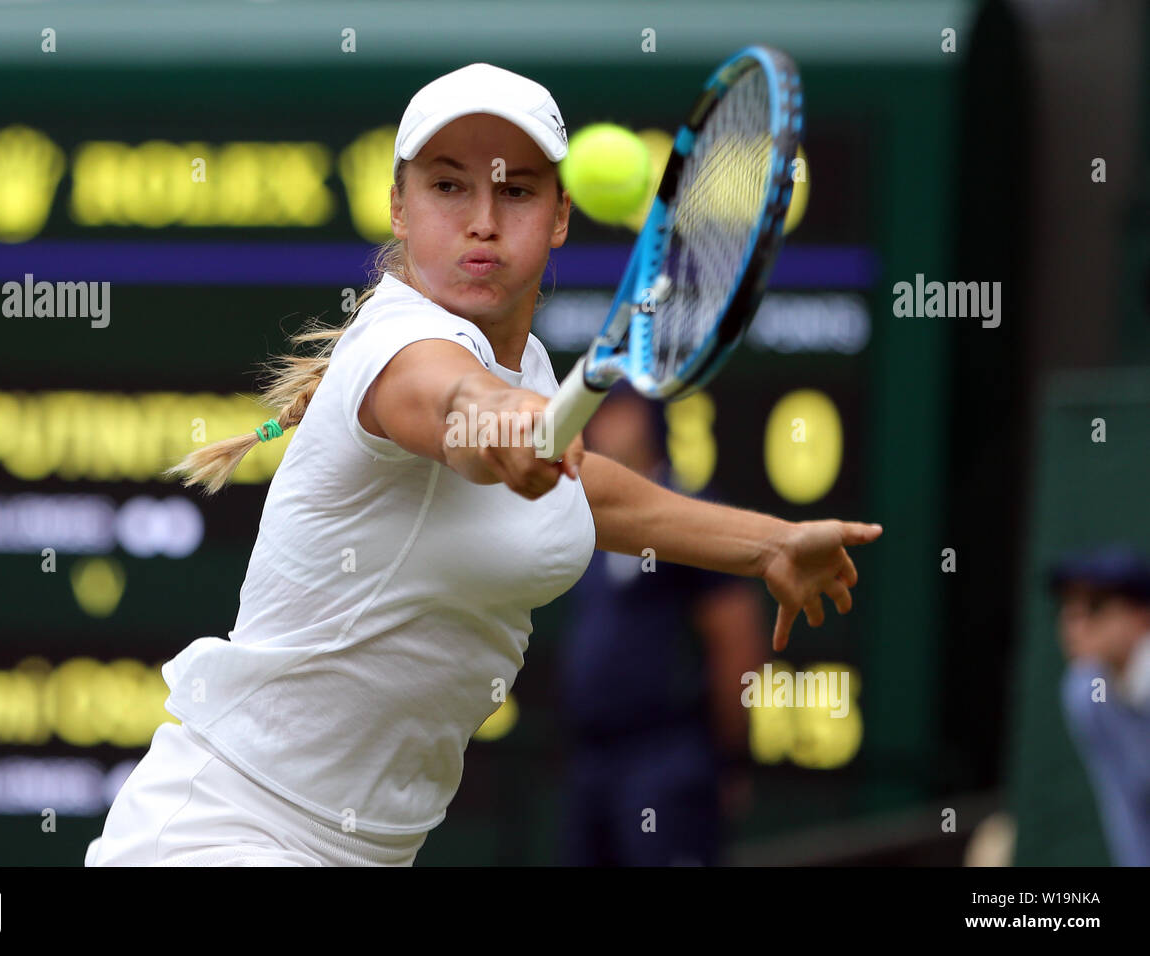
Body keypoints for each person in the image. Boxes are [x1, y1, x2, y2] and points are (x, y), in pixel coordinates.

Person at [84, 62, 883, 867]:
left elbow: (597, 498)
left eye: (519, 192)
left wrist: (769, 545)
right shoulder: (394, 349)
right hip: (219, 835)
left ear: (561, 214)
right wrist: (502, 424)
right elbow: (452, 401)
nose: (484, 222)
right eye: (449, 187)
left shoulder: (532, 371)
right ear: (399, 207)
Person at [559, 382, 765, 866]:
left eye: (619, 412)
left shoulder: (692, 513)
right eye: (597, 413)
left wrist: (730, 758)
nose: (603, 425)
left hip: (669, 758)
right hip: (592, 762)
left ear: (649, 419)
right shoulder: (584, 520)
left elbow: (737, 640)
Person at [1051, 544, 1150, 867]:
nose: (1074, 623)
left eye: (1095, 606)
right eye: (1068, 607)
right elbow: (1122, 807)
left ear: (1141, 615)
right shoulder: (1084, 693)